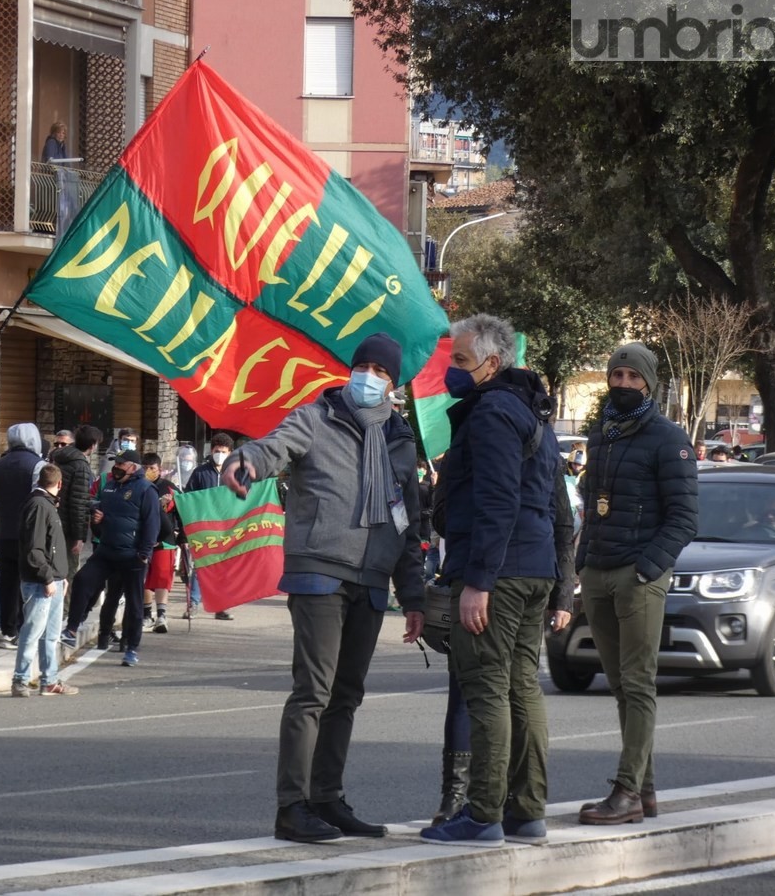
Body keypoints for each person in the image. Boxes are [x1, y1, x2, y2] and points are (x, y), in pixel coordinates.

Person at [221, 331, 425, 844]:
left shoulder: (401, 440)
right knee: (313, 691)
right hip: (319, 572)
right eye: (364, 368)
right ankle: (292, 807)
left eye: (380, 373)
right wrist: (245, 461)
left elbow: (409, 522)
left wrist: (415, 596)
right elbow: (274, 447)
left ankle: (327, 799)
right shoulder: (317, 417)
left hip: (374, 580)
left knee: (347, 695)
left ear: (393, 383)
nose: (369, 378)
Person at [419, 313, 564, 846]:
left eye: (459, 361)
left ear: (492, 363)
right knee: (522, 688)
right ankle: (527, 811)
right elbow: (554, 505)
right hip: (534, 568)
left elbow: (498, 499)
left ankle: (483, 814)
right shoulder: (534, 413)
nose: (451, 372)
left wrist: (478, 580)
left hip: (498, 573)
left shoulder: (492, 413)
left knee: (487, 691)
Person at [576, 342, 698, 824]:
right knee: (621, 686)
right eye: (617, 375)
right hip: (599, 571)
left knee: (639, 683)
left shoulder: (669, 438)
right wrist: (583, 564)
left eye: (633, 376)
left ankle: (626, 792)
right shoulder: (601, 434)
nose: (623, 384)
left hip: (638, 575)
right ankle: (645, 792)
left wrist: (648, 568)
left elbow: (685, 518)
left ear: (648, 382)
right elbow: (591, 504)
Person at [72, 450, 160, 666]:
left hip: (132, 556)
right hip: (107, 550)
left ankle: (131, 648)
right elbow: (101, 520)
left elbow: (152, 524)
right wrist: (98, 521)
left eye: (121, 463)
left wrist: (144, 554)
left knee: (134, 603)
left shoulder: (146, 489)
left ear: (133, 467)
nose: (117, 466)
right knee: (83, 580)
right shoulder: (110, 487)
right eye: (116, 463)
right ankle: (72, 626)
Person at [11, 464, 78, 697]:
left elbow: (51, 547)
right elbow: (34, 549)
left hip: (54, 580)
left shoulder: (45, 504)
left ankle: (49, 679)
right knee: (32, 632)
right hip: (41, 582)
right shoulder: (39, 506)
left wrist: (61, 577)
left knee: (50, 635)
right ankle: (20, 679)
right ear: (59, 484)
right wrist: (49, 577)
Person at [0, 423, 43, 648]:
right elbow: (38, 501)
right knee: (28, 582)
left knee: (7, 582)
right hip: (28, 534)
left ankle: (7, 628)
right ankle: (23, 628)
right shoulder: (38, 466)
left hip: (4, 532)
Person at [184, 432, 236, 620]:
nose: (219, 454)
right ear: (211, 450)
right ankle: (194, 604)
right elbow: (189, 497)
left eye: (223, 451)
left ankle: (221, 606)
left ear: (230, 453)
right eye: (216, 451)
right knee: (200, 566)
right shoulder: (200, 472)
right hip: (204, 526)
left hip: (227, 527)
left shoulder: (236, 472)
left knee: (224, 568)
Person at [51, 425, 102, 589]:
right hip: (67, 528)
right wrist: (79, 537)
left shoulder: (57, 458)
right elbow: (79, 503)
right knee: (67, 572)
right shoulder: (80, 466)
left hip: (52, 521)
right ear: (93, 445)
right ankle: (64, 613)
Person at [141, 453, 181, 633]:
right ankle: (146, 614)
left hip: (166, 540)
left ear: (160, 469)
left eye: (152, 469)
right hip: (142, 538)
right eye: (146, 468)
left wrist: (182, 535)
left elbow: (183, 510)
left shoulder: (170, 488)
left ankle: (161, 615)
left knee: (162, 578)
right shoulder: (137, 486)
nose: (149, 471)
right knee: (143, 578)